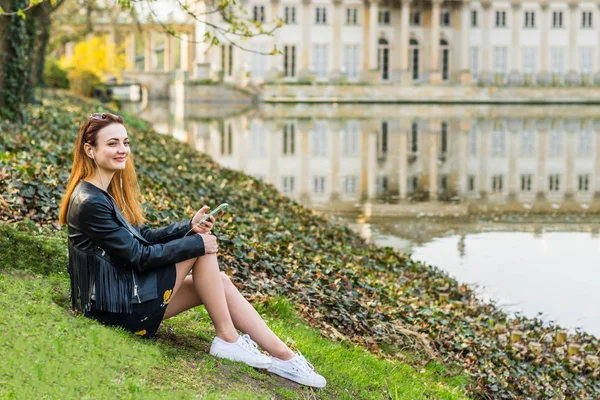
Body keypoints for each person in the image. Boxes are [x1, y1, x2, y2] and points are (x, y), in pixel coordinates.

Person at [58, 113, 326, 388]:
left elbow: (144, 236)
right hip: (114, 310)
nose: (122, 149)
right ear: (90, 150)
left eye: (125, 142)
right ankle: (228, 339)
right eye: (112, 143)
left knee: (218, 281)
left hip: (120, 297)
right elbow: (139, 256)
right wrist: (196, 244)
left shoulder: (103, 192)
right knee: (201, 252)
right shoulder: (90, 202)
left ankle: (284, 357)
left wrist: (189, 226)